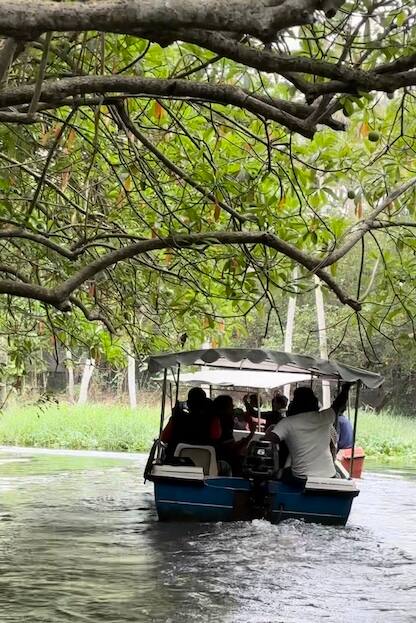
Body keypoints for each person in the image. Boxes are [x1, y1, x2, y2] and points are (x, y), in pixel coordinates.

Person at [264, 383, 352, 480]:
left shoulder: (287, 423)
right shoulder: (325, 416)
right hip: (329, 475)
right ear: (314, 402)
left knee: (279, 473)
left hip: (301, 479)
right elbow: (339, 403)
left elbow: (268, 440)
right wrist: (345, 388)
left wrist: (271, 428)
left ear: (294, 404)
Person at [161, 387, 221, 459]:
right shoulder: (212, 420)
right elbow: (216, 436)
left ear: (188, 404)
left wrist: (175, 415)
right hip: (205, 462)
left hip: (176, 461)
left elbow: (164, 438)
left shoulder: (177, 419)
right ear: (205, 404)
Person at [213, 394, 256, 474]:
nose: (233, 407)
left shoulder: (220, 421)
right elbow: (232, 449)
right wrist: (250, 435)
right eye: (231, 406)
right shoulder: (225, 423)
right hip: (226, 464)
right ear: (224, 409)